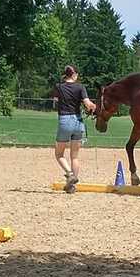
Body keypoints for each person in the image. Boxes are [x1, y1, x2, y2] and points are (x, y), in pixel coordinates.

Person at [52, 65, 97, 193]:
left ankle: (70, 174)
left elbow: (55, 100)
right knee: (75, 157)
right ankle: (72, 185)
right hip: (78, 122)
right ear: (74, 74)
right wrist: (93, 107)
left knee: (59, 154)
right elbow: (88, 104)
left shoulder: (58, 87)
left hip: (65, 120)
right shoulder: (80, 87)